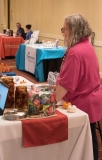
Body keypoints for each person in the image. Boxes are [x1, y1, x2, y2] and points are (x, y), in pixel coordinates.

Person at [54, 14, 102, 160]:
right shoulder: (86, 45)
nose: (63, 33)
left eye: (65, 29)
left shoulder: (75, 52)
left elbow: (65, 85)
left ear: (74, 30)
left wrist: (50, 100)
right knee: (90, 135)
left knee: (86, 139)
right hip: (92, 97)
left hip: (83, 102)